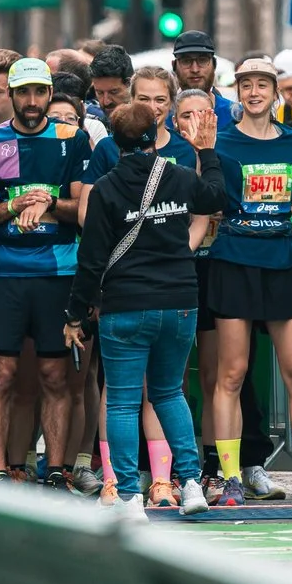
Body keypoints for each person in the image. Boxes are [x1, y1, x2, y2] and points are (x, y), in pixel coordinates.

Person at [66, 99, 233, 511]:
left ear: (114, 140)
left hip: (125, 304)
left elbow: (90, 260)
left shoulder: (105, 188)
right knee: (170, 393)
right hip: (180, 302)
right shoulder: (179, 176)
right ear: (154, 134)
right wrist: (206, 152)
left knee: (122, 401)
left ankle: (128, 495)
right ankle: (190, 484)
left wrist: (75, 314)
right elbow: (216, 196)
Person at [205, 55, 292, 505]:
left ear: (276, 92)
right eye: (246, 85)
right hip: (234, 261)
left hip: (282, 260)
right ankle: (230, 478)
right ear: (238, 92)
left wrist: (282, 213)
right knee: (232, 373)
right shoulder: (221, 143)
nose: (254, 92)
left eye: (262, 84)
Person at [0, 58, 94, 485]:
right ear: (10, 94)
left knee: (54, 375)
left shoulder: (72, 139)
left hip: (58, 271)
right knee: (0, 375)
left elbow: (82, 211)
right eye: (23, 92)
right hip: (3, 272)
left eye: (39, 92)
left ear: (49, 94)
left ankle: (57, 468)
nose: (31, 101)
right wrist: (19, 204)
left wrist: (50, 202)